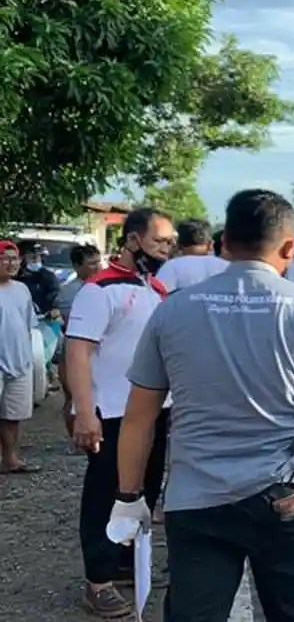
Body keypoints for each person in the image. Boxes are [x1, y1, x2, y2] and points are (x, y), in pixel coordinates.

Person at [111, 189, 294, 620]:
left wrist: (128, 497)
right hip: (285, 501)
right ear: (290, 247)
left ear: (224, 243)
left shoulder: (172, 310)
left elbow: (139, 416)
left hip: (196, 502)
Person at [65, 208, 174, 618]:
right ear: (131, 241)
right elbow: (78, 351)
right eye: (157, 241)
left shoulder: (156, 289)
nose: (165, 249)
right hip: (111, 413)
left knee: (141, 491)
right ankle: (98, 580)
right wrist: (83, 411)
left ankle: (126, 562)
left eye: (168, 242)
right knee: (104, 496)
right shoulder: (100, 290)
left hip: (154, 413)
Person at [55, 244, 104, 439]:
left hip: (98, 350)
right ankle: (74, 437)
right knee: (72, 394)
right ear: (77, 266)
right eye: (91, 264)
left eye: (98, 262)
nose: (97, 267)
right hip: (73, 348)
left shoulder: (102, 287)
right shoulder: (70, 292)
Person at [0, 240, 40, 474]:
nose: (11, 263)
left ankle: (12, 459)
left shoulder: (21, 289)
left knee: (13, 415)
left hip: (19, 360)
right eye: (5, 258)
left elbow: (28, 325)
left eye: (14, 258)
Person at [156, 219, 228, 292]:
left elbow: (158, 297)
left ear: (178, 245)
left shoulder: (170, 267)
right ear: (210, 244)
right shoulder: (227, 267)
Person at [17, 240, 62, 317]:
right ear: (22, 259)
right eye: (32, 257)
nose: (36, 260)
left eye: (39, 257)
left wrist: (54, 310)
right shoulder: (15, 279)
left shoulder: (48, 277)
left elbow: (56, 298)